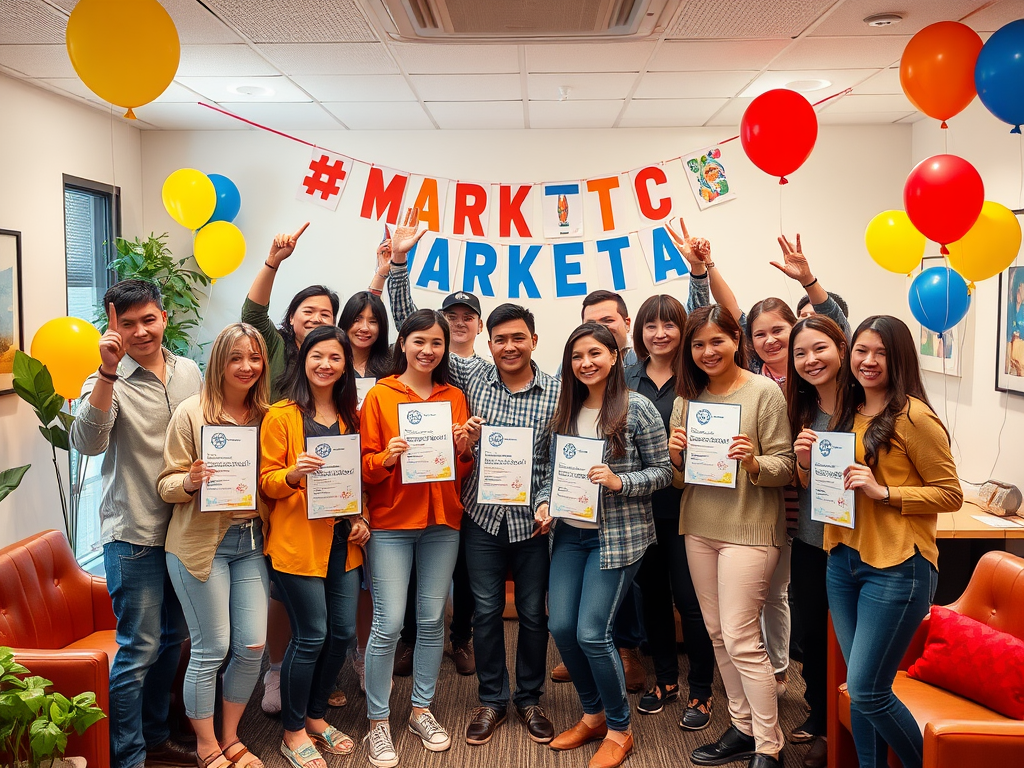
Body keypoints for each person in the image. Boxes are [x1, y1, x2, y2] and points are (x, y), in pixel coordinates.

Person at [70, 279, 202, 768]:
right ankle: (127, 758)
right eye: (128, 323)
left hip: (186, 532)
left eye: (149, 319)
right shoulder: (106, 379)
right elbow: (87, 442)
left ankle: (155, 737)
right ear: (113, 325)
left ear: (164, 318)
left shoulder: (190, 371)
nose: (141, 331)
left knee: (174, 640)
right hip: (135, 535)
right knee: (138, 651)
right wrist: (106, 372)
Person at [825, 316, 962, 768]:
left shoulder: (914, 417)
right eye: (861, 350)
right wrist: (809, 462)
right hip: (842, 560)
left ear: (899, 357)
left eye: (880, 353)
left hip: (898, 566)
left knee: (867, 688)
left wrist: (884, 492)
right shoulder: (847, 409)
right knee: (860, 690)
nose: (867, 361)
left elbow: (951, 494)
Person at [536, 322, 672, 768]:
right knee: (561, 629)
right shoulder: (563, 409)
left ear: (615, 356)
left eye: (595, 353)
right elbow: (545, 471)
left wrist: (619, 481)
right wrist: (543, 503)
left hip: (616, 538)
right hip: (569, 534)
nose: (586, 363)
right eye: (577, 356)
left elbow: (664, 473)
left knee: (593, 633)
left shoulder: (638, 408)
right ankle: (592, 714)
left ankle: (619, 728)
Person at [669, 305, 794, 768]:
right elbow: (680, 482)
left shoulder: (764, 392)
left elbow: (785, 469)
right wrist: (677, 458)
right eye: (698, 344)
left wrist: (754, 461)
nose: (707, 351)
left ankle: (769, 745)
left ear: (735, 341)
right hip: (699, 526)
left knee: (742, 638)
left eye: (716, 341)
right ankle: (742, 727)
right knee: (718, 634)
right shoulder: (687, 397)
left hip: (750, 528)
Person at [360, 309, 477, 768]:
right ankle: (377, 722)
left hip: (442, 521)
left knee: (431, 621)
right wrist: (386, 458)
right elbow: (363, 468)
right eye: (419, 341)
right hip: (391, 521)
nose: (428, 351)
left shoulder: (455, 396)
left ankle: (421, 711)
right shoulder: (380, 396)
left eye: (436, 343)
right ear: (403, 344)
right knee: (388, 625)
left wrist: (465, 447)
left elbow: (462, 467)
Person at [159, 323, 271, 768]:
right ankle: (205, 745)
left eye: (255, 358)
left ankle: (230, 736)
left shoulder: (269, 415)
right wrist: (190, 480)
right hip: (200, 544)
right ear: (219, 362)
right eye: (236, 358)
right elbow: (166, 484)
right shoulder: (191, 413)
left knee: (253, 647)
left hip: (251, 542)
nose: (246, 367)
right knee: (212, 647)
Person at [242, 224, 342, 714]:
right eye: (309, 313)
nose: (317, 320)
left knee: (327, 621)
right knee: (288, 600)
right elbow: (251, 314)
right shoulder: (276, 350)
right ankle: (279, 676)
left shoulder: (344, 401)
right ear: (293, 319)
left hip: (331, 514)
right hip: (282, 495)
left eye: (327, 316)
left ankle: (314, 685)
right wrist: (274, 260)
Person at [259, 325, 370, 768]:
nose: (326, 364)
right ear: (303, 360)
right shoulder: (282, 414)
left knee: (342, 634)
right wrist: (291, 474)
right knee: (311, 637)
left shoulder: (350, 417)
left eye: (335, 358)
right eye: (317, 356)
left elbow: (355, 484)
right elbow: (264, 484)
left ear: (346, 365)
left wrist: (361, 518)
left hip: (342, 542)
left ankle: (317, 716)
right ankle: (293, 731)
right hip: (297, 545)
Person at [746, 233, 851, 694]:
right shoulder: (759, 385)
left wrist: (808, 280)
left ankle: (822, 701)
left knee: (823, 617)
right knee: (796, 604)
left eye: (781, 332)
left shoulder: (833, 388)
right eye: (760, 334)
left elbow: (836, 329)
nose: (772, 340)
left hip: (839, 523)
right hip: (784, 511)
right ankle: (816, 704)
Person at [452, 304, 559, 747]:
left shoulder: (557, 392)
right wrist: (396, 268)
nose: (509, 346)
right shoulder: (473, 379)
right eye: (500, 339)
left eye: (518, 337)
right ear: (487, 341)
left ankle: (529, 698)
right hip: (481, 517)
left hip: (532, 524)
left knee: (534, 614)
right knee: (485, 611)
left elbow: (557, 459)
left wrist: (547, 500)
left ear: (534, 340)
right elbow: (416, 328)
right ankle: (492, 700)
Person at [383, 208, 478, 677]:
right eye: (451, 318)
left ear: (478, 326)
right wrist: (399, 264)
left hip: (460, 494)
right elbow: (410, 321)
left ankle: (459, 641)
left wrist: (466, 446)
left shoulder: (478, 373)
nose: (459, 324)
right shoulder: (442, 368)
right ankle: (409, 643)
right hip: (406, 497)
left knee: (456, 581)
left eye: (467, 318)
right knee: (411, 594)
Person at [625, 294, 716, 732]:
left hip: (691, 508)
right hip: (640, 508)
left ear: (683, 331)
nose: (660, 334)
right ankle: (664, 681)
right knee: (653, 598)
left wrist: (700, 273)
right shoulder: (626, 376)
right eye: (650, 326)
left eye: (669, 326)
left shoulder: (698, 375)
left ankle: (701, 688)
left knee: (692, 601)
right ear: (638, 332)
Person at [785, 315, 849, 768]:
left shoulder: (866, 408)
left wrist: (808, 280)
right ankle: (821, 713)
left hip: (857, 545)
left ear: (842, 348)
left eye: (820, 348)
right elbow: (802, 483)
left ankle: (839, 726)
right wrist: (803, 463)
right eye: (800, 353)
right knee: (811, 635)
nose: (811, 360)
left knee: (846, 640)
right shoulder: (801, 410)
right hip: (810, 540)